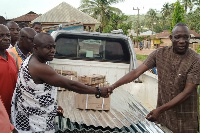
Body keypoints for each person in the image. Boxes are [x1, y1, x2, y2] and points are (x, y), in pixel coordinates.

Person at [108, 23, 200, 133]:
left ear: (190, 38)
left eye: (186, 37)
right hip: (164, 118)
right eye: (177, 37)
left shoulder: (195, 60)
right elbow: (136, 72)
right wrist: (112, 87)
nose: (182, 41)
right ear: (171, 38)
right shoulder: (160, 54)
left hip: (185, 120)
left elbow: (187, 92)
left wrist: (160, 110)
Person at [11, 33, 111, 132]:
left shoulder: (31, 60)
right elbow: (70, 84)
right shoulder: (39, 67)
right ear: (36, 48)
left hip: (28, 118)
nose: (53, 50)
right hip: (35, 124)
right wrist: (97, 91)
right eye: (48, 47)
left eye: (54, 47)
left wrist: (52, 108)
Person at [0, 24, 18, 117]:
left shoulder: (11, 58)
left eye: (8, 35)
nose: (6, 38)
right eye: (1, 36)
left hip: (12, 112)